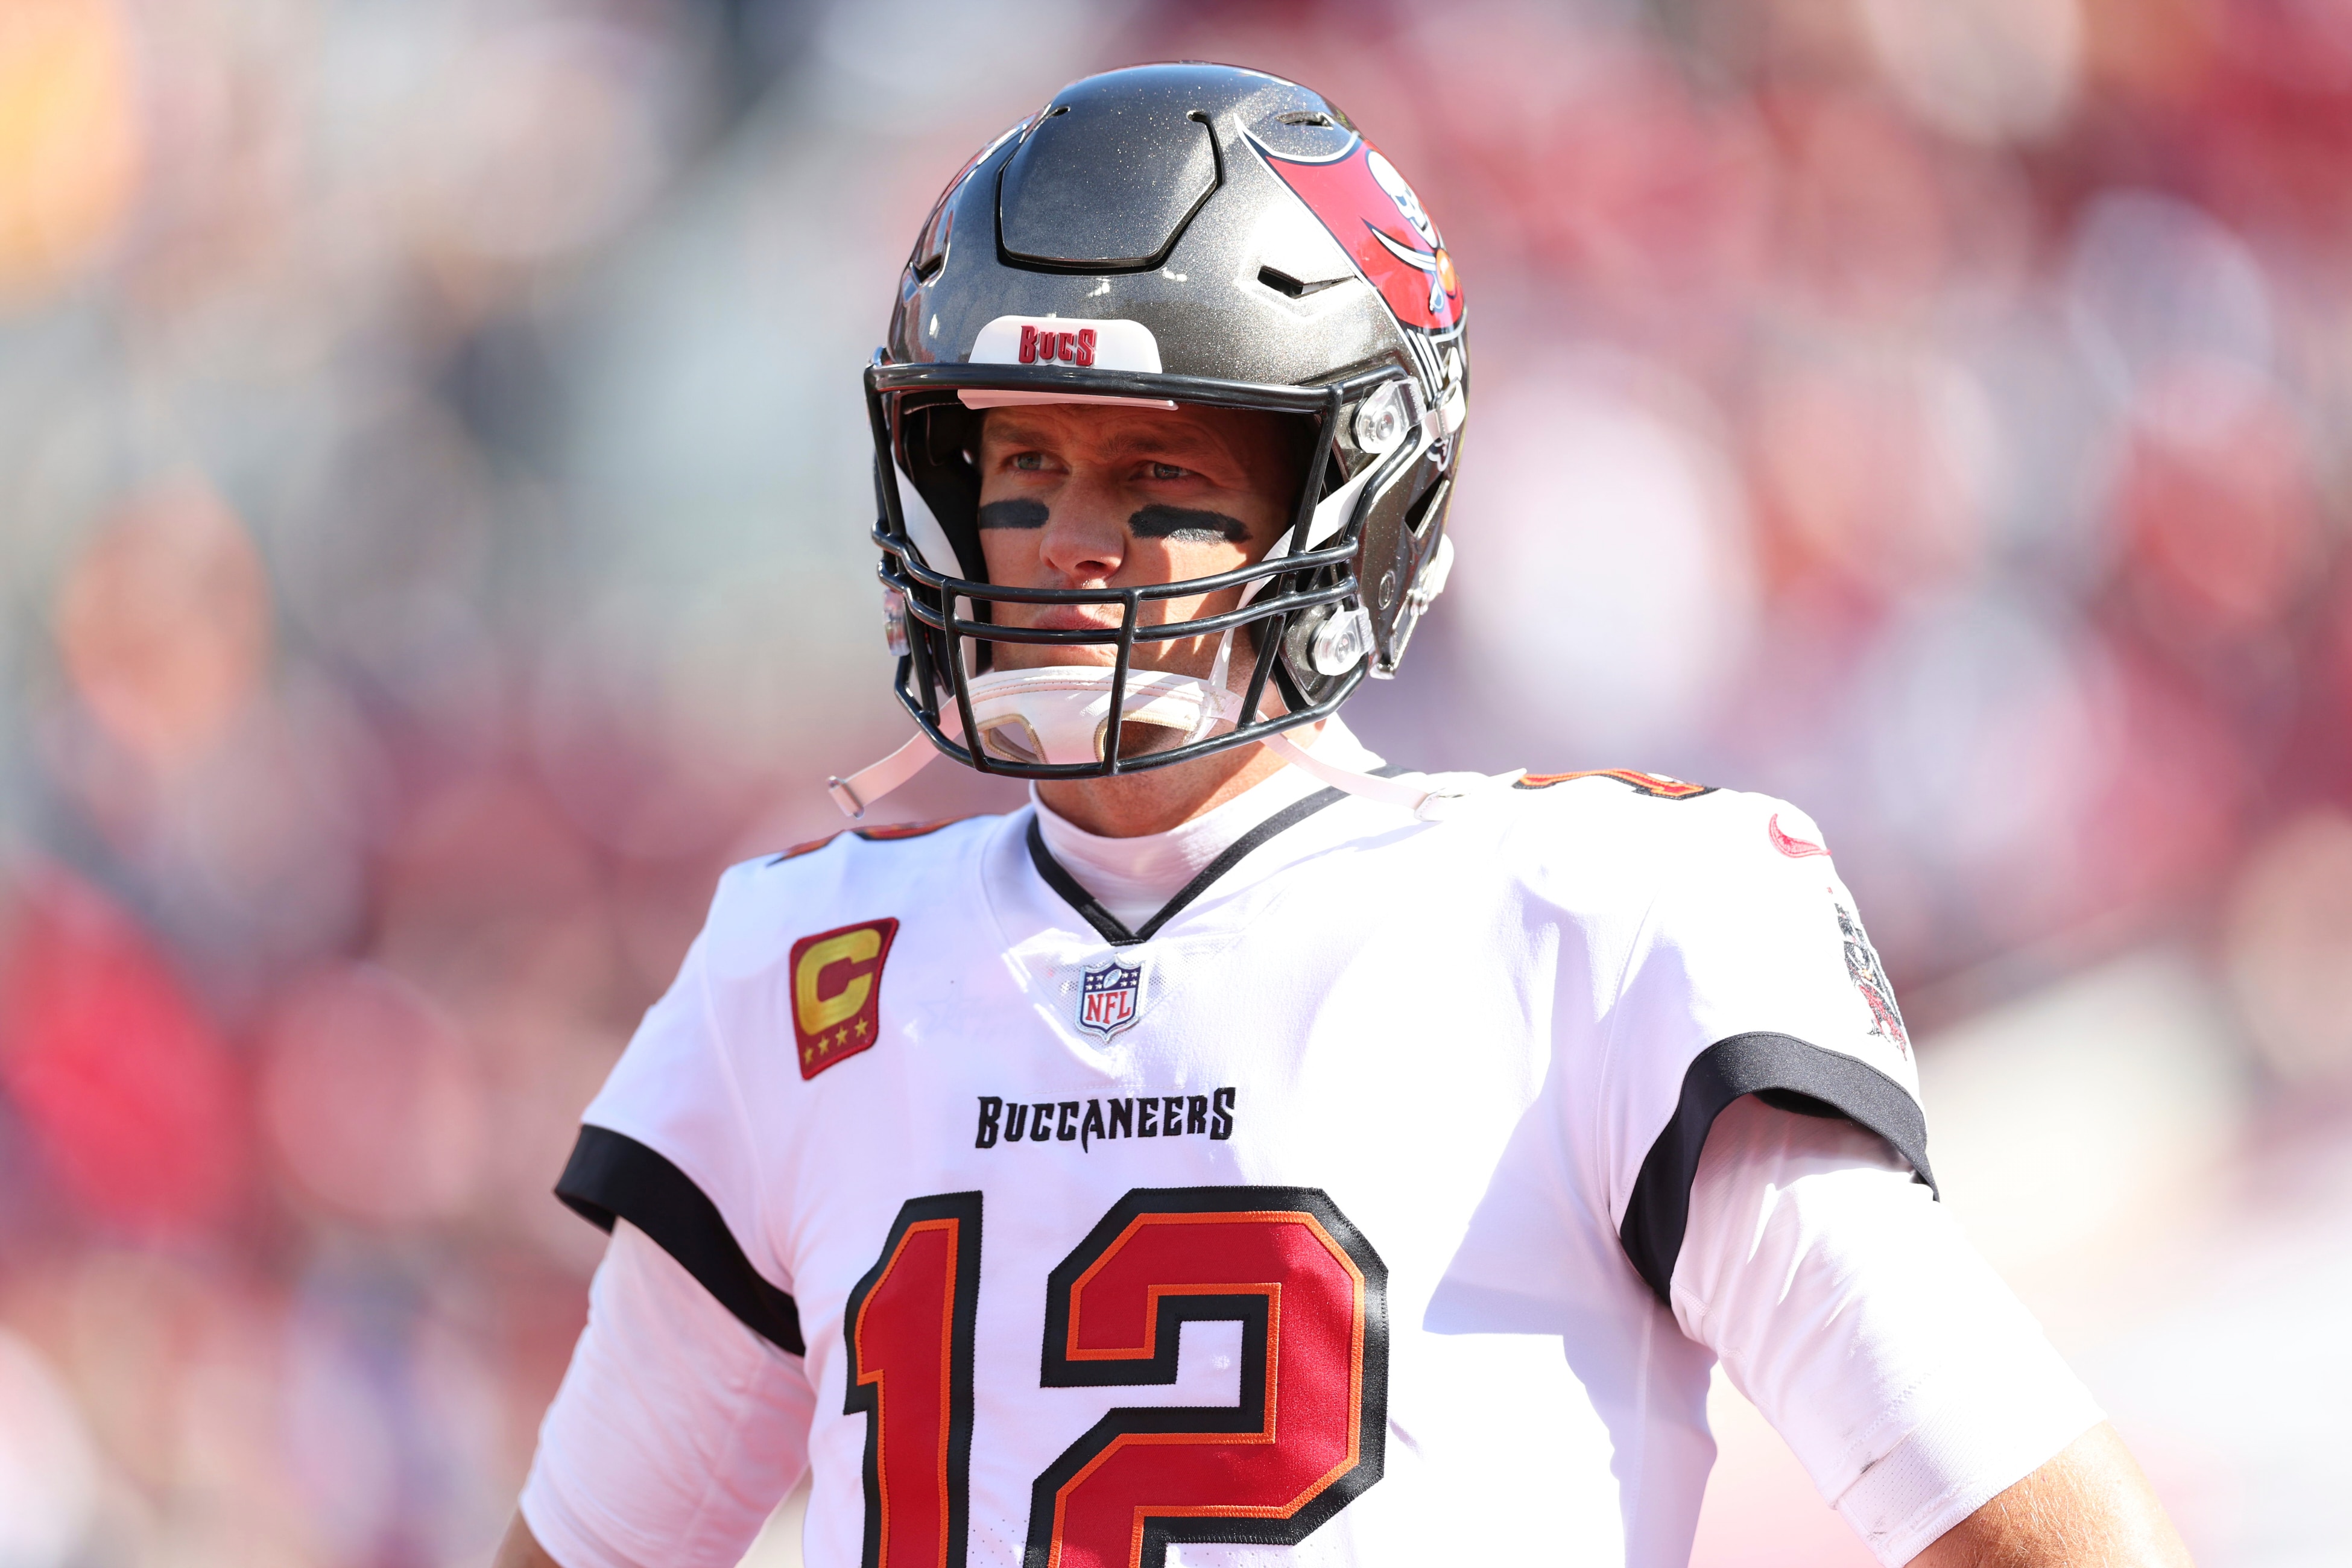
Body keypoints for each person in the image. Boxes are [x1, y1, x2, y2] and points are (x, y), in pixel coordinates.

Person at [496, 63, 2194, 1568]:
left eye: (1158, 479)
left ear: (1360, 502)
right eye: (1017, 472)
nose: (1070, 542)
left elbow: (2040, 1530)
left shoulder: (1591, 923)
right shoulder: (805, 968)